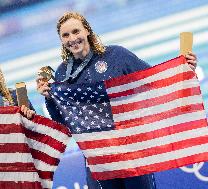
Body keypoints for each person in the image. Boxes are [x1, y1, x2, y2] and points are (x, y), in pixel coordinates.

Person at [36, 12, 197, 189]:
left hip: (132, 152)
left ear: (87, 31)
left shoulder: (117, 56)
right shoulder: (62, 73)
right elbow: (64, 123)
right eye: (65, 35)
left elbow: (154, 80)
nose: (72, 39)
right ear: (61, 40)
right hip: (98, 158)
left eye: (76, 31)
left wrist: (183, 70)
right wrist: (50, 99)